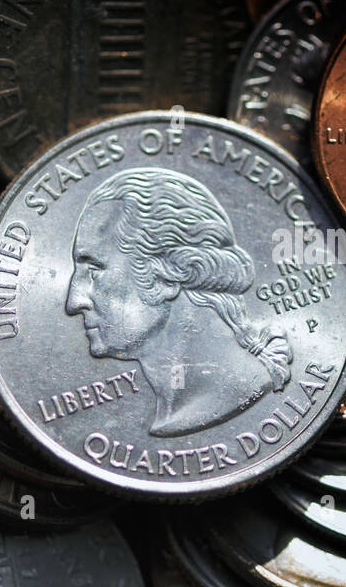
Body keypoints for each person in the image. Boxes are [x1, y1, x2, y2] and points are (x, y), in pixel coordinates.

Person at [66, 168, 292, 437]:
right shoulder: (178, 412)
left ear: (168, 273)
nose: (73, 302)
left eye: (93, 271)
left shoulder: (233, 395)